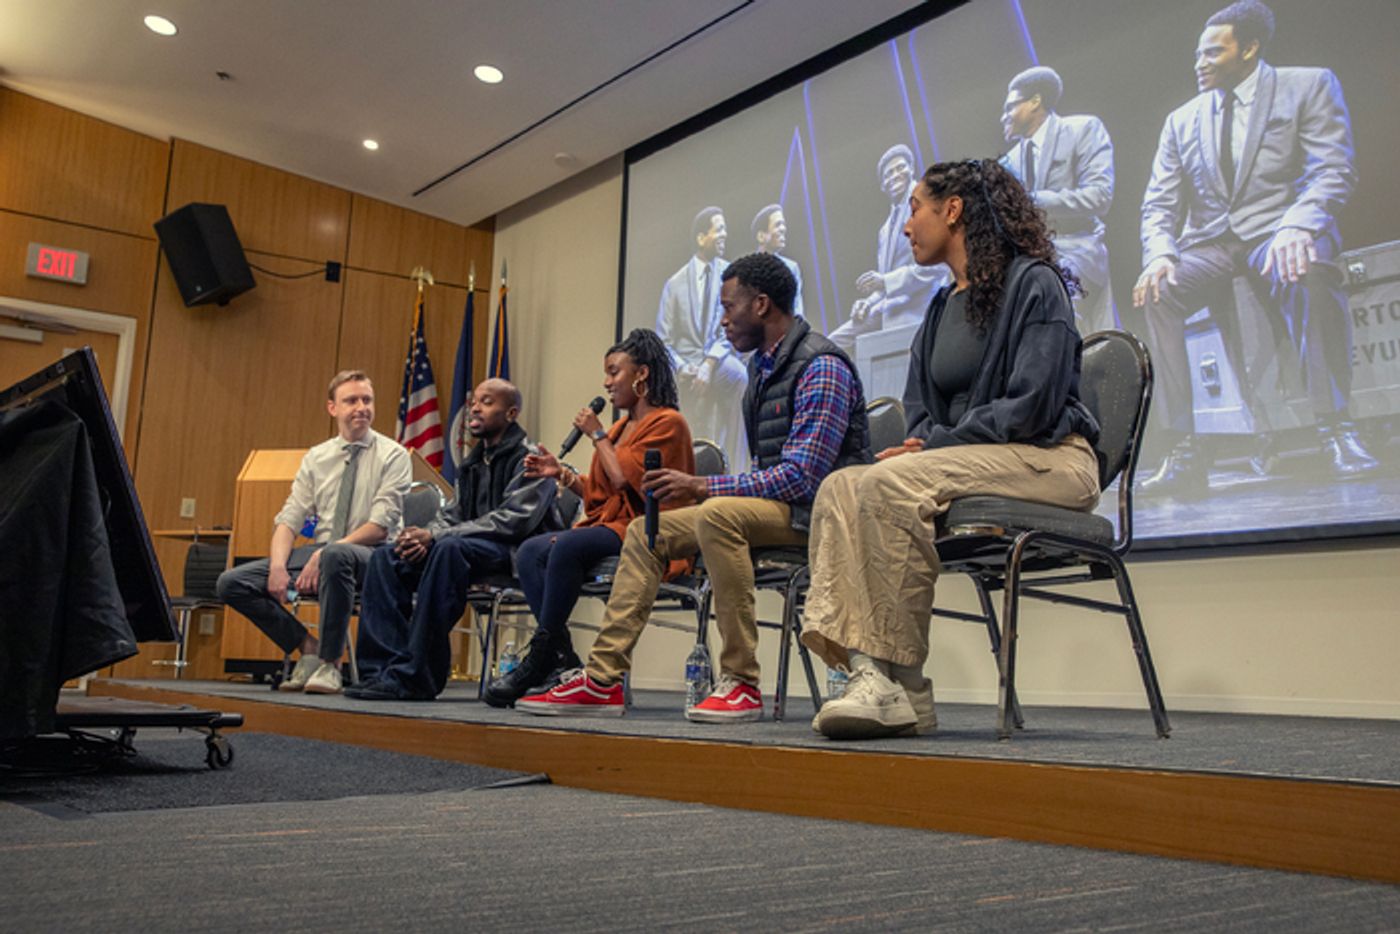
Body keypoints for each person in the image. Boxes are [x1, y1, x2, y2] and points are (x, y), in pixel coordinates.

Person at [802, 159, 1101, 740]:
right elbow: (920, 412)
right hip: (974, 462)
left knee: (889, 482)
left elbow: (1033, 406)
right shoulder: (939, 309)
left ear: (954, 209)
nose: (907, 225)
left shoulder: (1035, 283)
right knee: (841, 484)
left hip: (1053, 460)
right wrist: (925, 442)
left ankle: (894, 678)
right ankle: (885, 679)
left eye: (916, 207)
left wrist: (932, 446)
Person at [519, 252, 871, 722]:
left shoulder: (820, 365)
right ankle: (602, 680)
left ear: (762, 305)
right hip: (785, 509)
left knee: (718, 513)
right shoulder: (763, 371)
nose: (722, 321)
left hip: (823, 512)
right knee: (648, 531)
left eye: (728, 308)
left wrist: (703, 485)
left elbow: (802, 477)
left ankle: (741, 682)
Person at [1134, 0, 1376, 495]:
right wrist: (1160, 253)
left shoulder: (1307, 85)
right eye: (1197, 54)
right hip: (1212, 244)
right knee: (1158, 292)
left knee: (1309, 269)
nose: (1200, 63)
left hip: (1278, 230)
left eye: (1213, 53)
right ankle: (1185, 448)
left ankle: (1336, 428)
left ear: (1249, 48)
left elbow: (1333, 169)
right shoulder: (1182, 120)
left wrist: (1298, 226)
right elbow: (1158, 205)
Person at [483, 330, 695, 706]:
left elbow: (624, 480)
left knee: (566, 546)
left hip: (649, 529)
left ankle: (541, 656)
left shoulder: (668, 422)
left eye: (614, 372)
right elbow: (603, 493)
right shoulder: (619, 429)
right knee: (531, 551)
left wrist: (596, 433)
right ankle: (558, 654)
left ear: (641, 375)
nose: (606, 382)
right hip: (615, 525)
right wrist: (561, 474)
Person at [343, 378, 565, 701]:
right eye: (475, 400)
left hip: (515, 555)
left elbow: (513, 521)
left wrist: (435, 535)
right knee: (386, 557)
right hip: (468, 548)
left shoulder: (529, 459)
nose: (475, 407)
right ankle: (382, 672)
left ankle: (418, 675)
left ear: (511, 412)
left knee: (447, 548)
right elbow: (455, 513)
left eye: (487, 402)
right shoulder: (474, 461)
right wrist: (420, 537)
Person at [216, 370, 411, 695]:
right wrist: (278, 567)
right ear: (332, 408)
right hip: (324, 551)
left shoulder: (393, 455)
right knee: (232, 583)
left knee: (335, 554)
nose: (361, 407)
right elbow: (289, 520)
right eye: (351, 400)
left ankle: (331, 664)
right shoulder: (317, 457)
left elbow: (380, 526)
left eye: (367, 400)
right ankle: (307, 647)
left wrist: (323, 553)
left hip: (376, 556)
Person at [999, 65, 1117, 334]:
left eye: (1010, 107)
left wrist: (1035, 201)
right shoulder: (1008, 162)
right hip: (1031, 262)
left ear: (1035, 102)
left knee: (1052, 303)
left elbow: (1099, 196)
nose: (1004, 117)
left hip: (1078, 251)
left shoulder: (1083, 129)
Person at [829, 144, 948, 353]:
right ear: (883, 186)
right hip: (889, 309)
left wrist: (884, 282)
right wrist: (867, 302)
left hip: (920, 310)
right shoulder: (885, 230)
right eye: (888, 174)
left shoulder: (927, 209)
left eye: (899, 168)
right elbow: (885, 283)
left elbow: (936, 267)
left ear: (911, 169)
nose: (894, 176)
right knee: (831, 342)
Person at [655, 206, 748, 465]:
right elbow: (663, 340)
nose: (724, 235)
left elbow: (731, 327)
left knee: (740, 376)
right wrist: (684, 367)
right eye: (718, 229)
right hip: (684, 364)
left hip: (716, 359)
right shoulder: (674, 284)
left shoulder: (730, 276)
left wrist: (709, 364)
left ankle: (732, 464)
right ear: (700, 237)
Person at [751, 203, 804, 320]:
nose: (783, 229)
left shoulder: (791, 268)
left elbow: (797, 309)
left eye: (783, 224)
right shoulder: (746, 270)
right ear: (761, 236)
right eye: (777, 225)